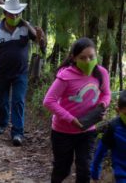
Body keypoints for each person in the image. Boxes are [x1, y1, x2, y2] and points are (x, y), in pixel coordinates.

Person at [43, 37, 111, 183]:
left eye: (91, 57)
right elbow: (49, 101)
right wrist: (70, 119)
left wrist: (102, 106)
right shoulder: (65, 76)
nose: (87, 61)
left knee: (84, 170)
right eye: (82, 58)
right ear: (74, 58)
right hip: (62, 132)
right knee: (62, 169)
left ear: (96, 55)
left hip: (88, 131)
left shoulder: (102, 73)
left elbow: (106, 93)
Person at [0, 0, 46, 146]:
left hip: (20, 73)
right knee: (2, 101)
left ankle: (17, 132)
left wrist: (41, 36)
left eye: (17, 13)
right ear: (5, 13)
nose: (15, 16)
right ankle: (2, 122)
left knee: (18, 101)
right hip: (1, 73)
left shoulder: (26, 28)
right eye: (11, 13)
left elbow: (40, 44)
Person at [91, 90, 126, 183]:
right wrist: (95, 174)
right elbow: (100, 151)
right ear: (118, 110)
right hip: (122, 175)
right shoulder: (114, 127)